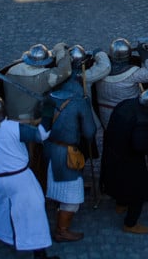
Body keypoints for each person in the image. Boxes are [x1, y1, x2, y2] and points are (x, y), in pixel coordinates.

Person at [0, 96, 58, 259]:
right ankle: (40, 254)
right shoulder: (14, 128)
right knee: (33, 212)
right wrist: (47, 111)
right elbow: (41, 135)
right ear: (4, 112)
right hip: (21, 180)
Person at [44, 65, 96, 243]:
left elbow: (43, 128)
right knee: (72, 197)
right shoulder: (79, 102)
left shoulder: (49, 99)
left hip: (49, 149)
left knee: (56, 185)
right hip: (66, 153)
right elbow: (90, 132)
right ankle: (62, 230)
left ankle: (59, 214)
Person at [101, 88, 148, 234]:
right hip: (129, 157)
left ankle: (121, 203)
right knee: (138, 191)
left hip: (113, 151)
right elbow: (139, 145)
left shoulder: (125, 104)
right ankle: (130, 223)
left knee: (118, 179)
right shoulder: (142, 120)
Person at [94, 38, 148, 128]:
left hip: (106, 116)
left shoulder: (97, 72)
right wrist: (145, 53)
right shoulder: (133, 73)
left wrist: (98, 54)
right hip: (128, 115)